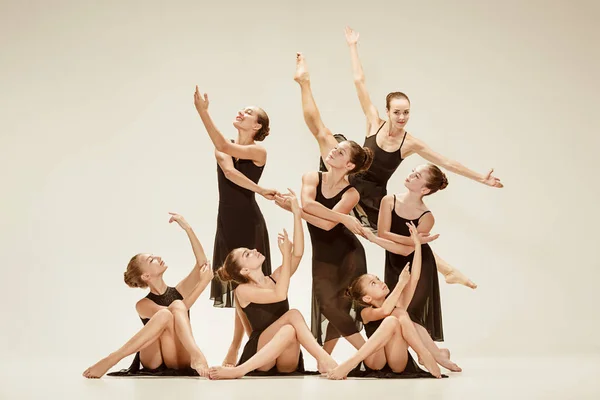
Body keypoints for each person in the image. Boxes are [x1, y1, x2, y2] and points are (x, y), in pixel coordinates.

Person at [208, 190, 338, 379]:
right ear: (244, 271)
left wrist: (296, 213)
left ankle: (322, 359)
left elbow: (298, 254)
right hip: (260, 355)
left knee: (288, 329)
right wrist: (285, 256)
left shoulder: (275, 277)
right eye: (247, 254)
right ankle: (323, 359)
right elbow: (279, 295)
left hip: (285, 356)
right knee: (292, 315)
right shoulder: (243, 291)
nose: (253, 250)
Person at [194, 87, 277, 366]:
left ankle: (242, 344)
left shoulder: (259, 150)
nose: (243, 112)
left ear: (257, 126)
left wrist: (204, 113)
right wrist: (203, 112)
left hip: (249, 221)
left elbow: (233, 164)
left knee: (250, 283)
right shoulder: (224, 146)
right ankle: (244, 342)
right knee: (235, 285)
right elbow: (230, 171)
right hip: (226, 221)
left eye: (250, 112)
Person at [83, 213, 213, 379]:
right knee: (169, 312)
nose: (158, 258)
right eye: (152, 260)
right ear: (146, 276)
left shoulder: (178, 291)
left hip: (177, 356)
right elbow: (173, 313)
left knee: (176, 306)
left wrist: (187, 228)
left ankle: (194, 355)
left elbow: (202, 264)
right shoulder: (143, 304)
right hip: (154, 358)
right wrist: (202, 284)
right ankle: (112, 359)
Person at [327, 221, 443, 379]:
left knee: (399, 313)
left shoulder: (398, 303)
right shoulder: (366, 312)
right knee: (393, 318)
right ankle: (423, 353)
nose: (380, 282)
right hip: (376, 360)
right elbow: (385, 311)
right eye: (373, 283)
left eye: (378, 279)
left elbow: (414, 278)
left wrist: (417, 245)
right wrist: (401, 283)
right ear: (367, 298)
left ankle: (424, 354)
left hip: (397, 361)